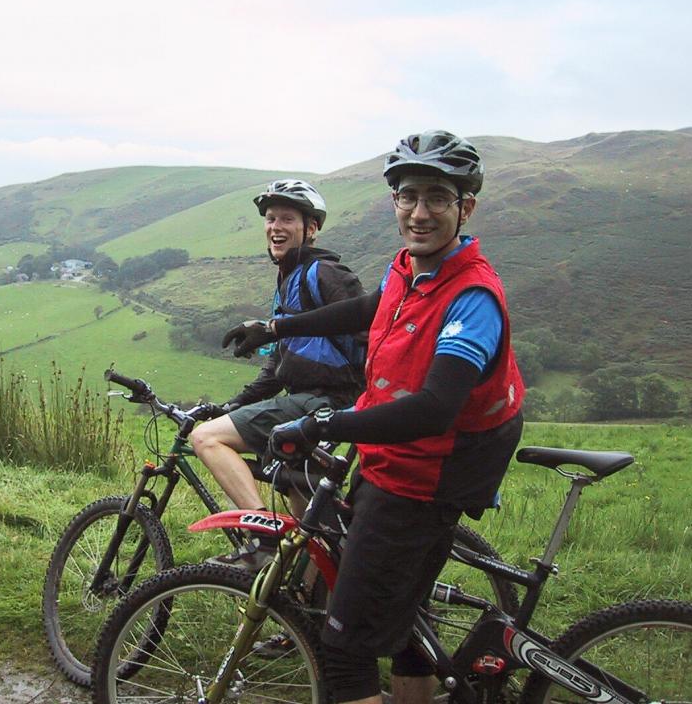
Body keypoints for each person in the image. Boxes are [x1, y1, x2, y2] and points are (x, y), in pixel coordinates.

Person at [223, 131, 525, 704]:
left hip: (427, 474)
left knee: (343, 649)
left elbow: (435, 409)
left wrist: (322, 425)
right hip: (401, 460)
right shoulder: (410, 268)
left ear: (466, 207)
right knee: (404, 619)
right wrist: (276, 327)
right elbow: (369, 307)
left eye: (438, 198)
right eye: (408, 196)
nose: (419, 212)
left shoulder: (472, 298)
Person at [191, 178, 366, 570]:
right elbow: (280, 365)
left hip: (325, 402)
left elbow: (369, 328)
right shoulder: (289, 279)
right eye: (270, 218)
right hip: (309, 400)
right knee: (304, 506)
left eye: (287, 217)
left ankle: (263, 537)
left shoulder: (325, 273)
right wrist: (236, 403)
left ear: (312, 228)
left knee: (206, 438)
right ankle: (313, 596)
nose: (275, 226)